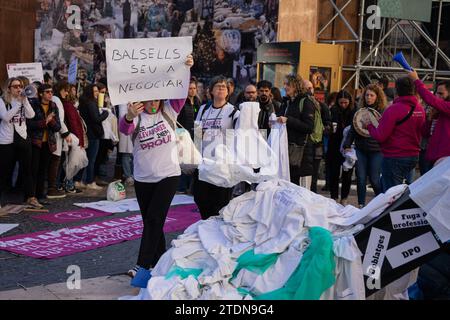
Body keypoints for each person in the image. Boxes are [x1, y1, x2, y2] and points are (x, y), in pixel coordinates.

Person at [119, 55, 194, 287]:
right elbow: (124, 128)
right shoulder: (136, 117)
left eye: (157, 99)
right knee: (153, 223)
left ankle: (142, 266)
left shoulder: (170, 112)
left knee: (153, 219)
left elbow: (180, 92)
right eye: (149, 100)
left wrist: (185, 68)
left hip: (168, 175)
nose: (153, 103)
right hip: (143, 178)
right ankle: (161, 261)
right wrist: (130, 115)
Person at [364, 77, 425, 191]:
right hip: (413, 156)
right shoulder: (420, 109)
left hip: (395, 156)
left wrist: (369, 126)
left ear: (397, 90)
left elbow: (380, 136)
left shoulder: (393, 109)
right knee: (401, 191)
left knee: (391, 195)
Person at [193, 76, 239, 220]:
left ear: (228, 92)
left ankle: (217, 234)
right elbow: (196, 133)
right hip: (204, 163)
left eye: (224, 86)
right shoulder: (203, 109)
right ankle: (206, 228)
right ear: (211, 90)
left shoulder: (234, 112)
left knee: (219, 204)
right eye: (218, 86)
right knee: (200, 199)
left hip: (222, 166)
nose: (221, 88)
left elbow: (239, 136)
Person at [343, 84, 387, 207]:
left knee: (374, 179)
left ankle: (382, 203)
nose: (368, 97)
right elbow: (353, 128)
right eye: (367, 95)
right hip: (361, 148)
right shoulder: (359, 110)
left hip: (377, 150)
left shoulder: (383, 111)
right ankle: (361, 205)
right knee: (361, 178)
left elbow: (386, 131)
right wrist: (347, 143)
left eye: (372, 95)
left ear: (377, 97)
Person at [0, 78, 40, 212]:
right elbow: (5, 117)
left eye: (21, 86)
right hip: (7, 141)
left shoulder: (23, 100)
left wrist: (25, 101)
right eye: (16, 86)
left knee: (27, 170)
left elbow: (31, 115)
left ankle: (31, 197)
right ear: (9, 88)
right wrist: (17, 105)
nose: (19, 89)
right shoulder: (3, 101)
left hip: (23, 139)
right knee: (5, 172)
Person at [276, 74, 315, 187]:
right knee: (288, 183)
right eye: (284, 84)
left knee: (297, 186)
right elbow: (280, 117)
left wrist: (288, 120)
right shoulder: (286, 102)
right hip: (286, 148)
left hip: (300, 151)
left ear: (296, 85)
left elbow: (309, 127)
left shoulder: (306, 102)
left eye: (288, 84)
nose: (285, 87)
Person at [28, 84, 62, 203]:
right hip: (35, 142)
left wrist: (51, 121)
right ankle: (30, 196)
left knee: (43, 170)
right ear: (41, 93)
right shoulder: (33, 104)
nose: (50, 94)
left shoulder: (53, 106)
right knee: (34, 169)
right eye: (47, 92)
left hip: (49, 143)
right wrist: (44, 122)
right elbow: (29, 124)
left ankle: (40, 195)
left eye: (51, 92)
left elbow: (58, 127)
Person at [408, 71, 450, 166]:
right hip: (432, 156)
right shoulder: (438, 111)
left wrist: (416, 80)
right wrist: (430, 118)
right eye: (436, 93)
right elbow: (425, 133)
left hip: (445, 159)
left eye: (441, 94)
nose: (437, 96)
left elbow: (431, 99)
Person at [74, 84, 108, 190]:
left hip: (88, 133)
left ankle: (78, 180)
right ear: (90, 92)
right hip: (93, 134)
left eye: (97, 91)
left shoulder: (84, 102)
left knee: (85, 158)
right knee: (91, 159)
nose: (97, 93)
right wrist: (106, 114)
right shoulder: (91, 103)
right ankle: (90, 181)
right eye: (95, 91)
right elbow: (96, 119)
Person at [303, 80, 331, 194]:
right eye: (306, 88)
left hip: (316, 144)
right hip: (304, 143)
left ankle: (312, 195)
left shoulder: (321, 106)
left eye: (310, 88)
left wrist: (324, 129)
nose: (309, 90)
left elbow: (328, 123)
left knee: (314, 173)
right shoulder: (301, 103)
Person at [327, 90, 356, 204]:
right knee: (333, 172)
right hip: (334, 144)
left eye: (345, 102)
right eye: (341, 102)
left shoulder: (354, 111)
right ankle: (334, 196)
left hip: (348, 145)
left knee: (347, 173)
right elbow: (329, 123)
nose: (343, 105)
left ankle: (344, 197)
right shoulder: (333, 110)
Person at [176, 78, 201, 194]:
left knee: (193, 161)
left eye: (194, 88)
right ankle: (181, 187)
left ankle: (190, 187)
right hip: (182, 135)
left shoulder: (198, 102)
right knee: (183, 161)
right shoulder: (181, 104)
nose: (192, 91)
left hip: (195, 135)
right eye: (190, 88)